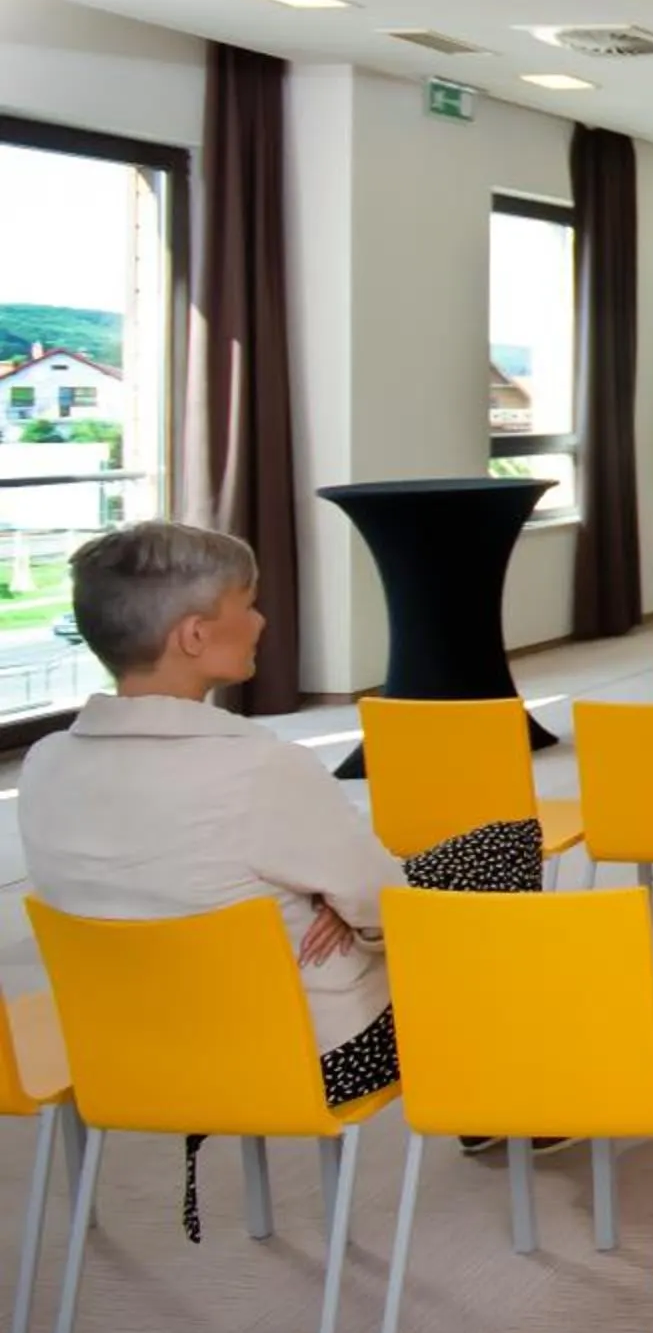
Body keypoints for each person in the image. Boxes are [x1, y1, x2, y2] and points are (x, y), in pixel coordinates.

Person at [18, 522, 550, 1240]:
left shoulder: (46, 763)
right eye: (247, 603)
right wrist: (343, 910)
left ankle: (498, 1085)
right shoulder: (258, 768)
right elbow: (389, 905)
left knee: (386, 882)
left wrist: (324, 901)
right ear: (195, 635)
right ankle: (502, 1092)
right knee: (498, 849)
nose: (262, 620)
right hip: (305, 1057)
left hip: (124, 1049)